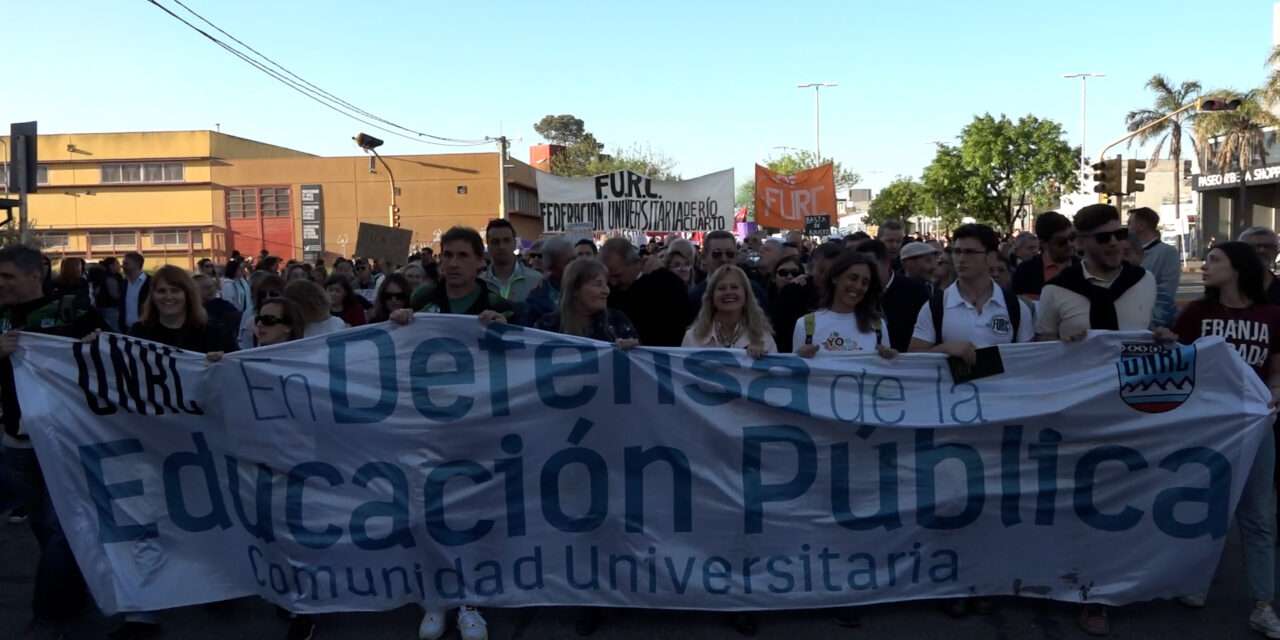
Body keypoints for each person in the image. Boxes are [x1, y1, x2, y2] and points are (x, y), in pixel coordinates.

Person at [1169, 241, 1280, 638]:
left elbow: (1276, 370)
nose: (1205, 266)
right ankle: (1194, 584)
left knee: (1258, 516)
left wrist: (1273, 397)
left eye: (1215, 260)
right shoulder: (1197, 313)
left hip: (1256, 428)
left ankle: (1264, 604)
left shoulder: (1272, 315)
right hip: (1208, 428)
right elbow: (1178, 362)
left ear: (1237, 268)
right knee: (1205, 509)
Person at [0, 245, 107, 634]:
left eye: (7, 276)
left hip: (67, 441)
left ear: (35, 274)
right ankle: (78, 597)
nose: (1, 284)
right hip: (17, 445)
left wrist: (99, 342)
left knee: (64, 527)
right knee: (47, 532)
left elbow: (111, 355)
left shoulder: (72, 310)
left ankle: (49, 616)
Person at [910, 224, 1033, 366]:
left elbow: (1027, 361)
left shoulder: (1016, 307)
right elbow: (914, 359)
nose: (961, 259)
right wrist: (944, 349)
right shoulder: (935, 307)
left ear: (991, 256)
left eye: (970, 252)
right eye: (957, 252)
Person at [1036, 204, 1156, 344]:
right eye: (1103, 237)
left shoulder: (1144, 280)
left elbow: (1147, 332)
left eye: (1119, 234)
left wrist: (1160, 337)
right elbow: (1043, 345)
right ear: (1080, 243)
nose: (1114, 242)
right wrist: (1064, 346)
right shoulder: (1055, 289)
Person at [793, 251, 897, 359]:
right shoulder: (805, 324)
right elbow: (797, 371)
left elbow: (887, 371)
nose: (858, 286)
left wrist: (891, 359)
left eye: (865, 282)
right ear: (835, 278)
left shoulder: (878, 325)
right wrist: (799, 357)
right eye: (853, 278)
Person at [600, 237, 692, 347]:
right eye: (609, 277)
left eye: (617, 275)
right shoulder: (608, 291)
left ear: (634, 264)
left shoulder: (668, 285)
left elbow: (676, 328)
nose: (613, 282)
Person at [128, 265, 237, 355]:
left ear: (188, 295)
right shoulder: (138, 333)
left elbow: (238, 367)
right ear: (152, 296)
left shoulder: (214, 332)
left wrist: (222, 361)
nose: (168, 297)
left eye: (175, 291)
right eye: (161, 291)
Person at [535, 258, 639, 347]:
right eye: (598, 284)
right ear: (575, 289)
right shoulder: (548, 326)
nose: (606, 291)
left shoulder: (617, 321)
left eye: (606, 284)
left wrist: (633, 349)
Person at [856, 239, 930, 353]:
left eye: (870, 265)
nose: (865, 271)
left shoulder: (916, 291)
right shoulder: (857, 294)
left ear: (886, 263)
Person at [683, 265, 775, 357]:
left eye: (734, 287)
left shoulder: (763, 338)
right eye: (721, 288)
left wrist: (760, 361)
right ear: (711, 297)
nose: (728, 292)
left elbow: (774, 370)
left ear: (746, 294)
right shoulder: (692, 337)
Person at [690, 231, 767, 315]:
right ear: (704, 258)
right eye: (717, 254)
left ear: (736, 256)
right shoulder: (695, 297)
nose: (724, 259)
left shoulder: (755, 291)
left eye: (730, 254)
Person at [1128, 207, 1181, 328]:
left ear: (1141, 226)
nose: (1128, 227)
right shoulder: (1128, 251)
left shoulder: (1168, 252)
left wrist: (1153, 324)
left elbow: (1167, 292)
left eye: (1130, 223)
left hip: (1152, 325)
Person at [1012, 211, 1076, 304]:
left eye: (1072, 238)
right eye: (1061, 242)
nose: (1070, 244)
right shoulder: (1025, 271)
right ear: (1044, 243)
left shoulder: (1085, 268)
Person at [481, 219, 543, 304]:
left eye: (506, 240)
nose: (501, 246)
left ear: (514, 243)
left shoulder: (536, 280)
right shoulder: (480, 282)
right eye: (495, 242)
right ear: (488, 246)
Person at [523, 236, 574, 327]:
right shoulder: (537, 300)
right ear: (552, 266)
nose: (575, 265)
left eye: (575, 259)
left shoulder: (585, 287)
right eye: (568, 262)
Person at [237, 274, 285, 349]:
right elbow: (243, 352)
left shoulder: (293, 320)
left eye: (273, 294)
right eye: (263, 295)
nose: (267, 297)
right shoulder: (250, 323)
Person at [194, 273, 241, 350]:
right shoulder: (190, 312)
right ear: (194, 291)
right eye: (205, 287)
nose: (211, 289)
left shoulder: (225, 306)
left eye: (212, 286)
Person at [1240, 226, 1280, 304]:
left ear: (1276, 251)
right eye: (1255, 246)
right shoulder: (1227, 288)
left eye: (1268, 246)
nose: (1262, 250)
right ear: (1240, 250)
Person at [120, 251, 151, 330]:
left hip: (146, 329)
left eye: (126, 263)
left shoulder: (151, 282)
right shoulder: (124, 283)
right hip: (126, 330)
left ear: (136, 265)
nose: (122, 266)